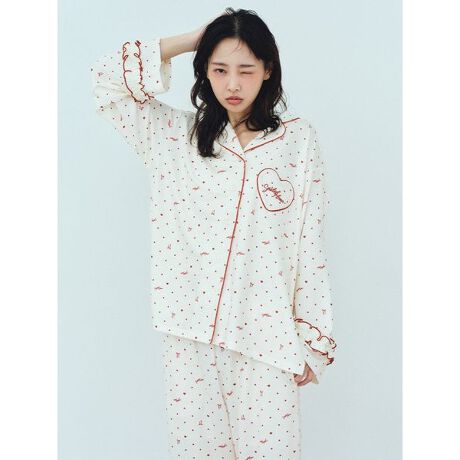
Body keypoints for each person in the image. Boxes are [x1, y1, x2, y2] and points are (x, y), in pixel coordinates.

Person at [91, 7, 337, 459]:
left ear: (268, 69)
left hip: (267, 335)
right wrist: (192, 40)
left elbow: (309, 241)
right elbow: (106, 81)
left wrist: (312, 334)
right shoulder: (172, 136)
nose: (233, 84)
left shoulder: (298, 142)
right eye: (220, 69)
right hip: (189, 332)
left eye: (246, 70)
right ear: (204, 70)